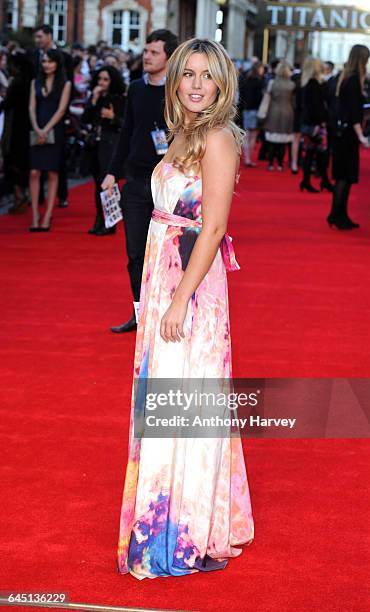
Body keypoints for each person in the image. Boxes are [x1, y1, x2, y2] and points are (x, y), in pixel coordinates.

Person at [115, 37, 254, 580]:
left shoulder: (218, 138)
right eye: (187, 74)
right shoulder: (182, 133)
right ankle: (172, 513)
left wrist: (176, 301)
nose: (196, 84)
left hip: (191, 285)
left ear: (222, 83)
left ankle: (190, 527)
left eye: (206, 75)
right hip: (164, 276)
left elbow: (213, 226)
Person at [102, 29, 179, 333]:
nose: (146, 56)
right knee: (135, 252)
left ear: (168, 57)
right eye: (146, 51)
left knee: (165, 252)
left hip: (167, 182)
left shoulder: (178, 91)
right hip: (135, 181)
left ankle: (168, 310)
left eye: (154, 52)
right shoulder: (135, 88)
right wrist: (112, 172)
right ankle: (140, 313)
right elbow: (127, 131)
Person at [327, 45, 370, 230]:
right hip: (348, 136)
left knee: (342, 176)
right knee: (345, 176)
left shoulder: (344, 78)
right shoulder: (353, 81)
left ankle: (339, 214)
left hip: (341, 134)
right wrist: (362, 136)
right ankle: (337, 215)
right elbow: (353, 113)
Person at [28, 49, 72, 231]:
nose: (47, 64)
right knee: (34, 173)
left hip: (55, 131)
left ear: (57, 64)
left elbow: (61, 110)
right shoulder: (35, 82)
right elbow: (31, 107)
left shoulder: (65, 83)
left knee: (53, 173)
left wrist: (45, 130)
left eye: (50, 61)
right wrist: (38, 129)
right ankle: (35, 215)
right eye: (44, 61)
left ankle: (47, 216)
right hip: (36, 129)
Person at [82, 65, 126, 235]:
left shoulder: (119, 99)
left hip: (110, 146)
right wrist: (93, 100)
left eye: (106, 79)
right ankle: (100, 220)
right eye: (99, 79)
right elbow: (86, 119)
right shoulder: (97, 97)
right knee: (96, 184)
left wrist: (112, 117)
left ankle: (110, 223)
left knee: (107, 184)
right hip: (95, 145)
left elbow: (125, 123)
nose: (102, 83)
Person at [0, 51, 33, 214]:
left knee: (13, 164)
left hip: (14, 130)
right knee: (21, 164)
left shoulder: (17, 83)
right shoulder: (29, 82)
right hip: (24, 129)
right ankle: (21, 196)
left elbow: (7, 104)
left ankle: (19, 197)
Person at [299, 57, 334, 193]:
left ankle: (310, 181)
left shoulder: (307, 83)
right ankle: (319, 181)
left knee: (312, 154)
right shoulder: (314, 84)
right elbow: (317, 106)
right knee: (318, 153)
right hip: (316, 124)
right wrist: (322, 122)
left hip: (310, 123)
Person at [263, 59, 295, 171]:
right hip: (288, 112)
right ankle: (280, 165)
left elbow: (267, 98)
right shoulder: (292, 85)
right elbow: (293, 101)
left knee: (272, 140)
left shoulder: (272, 83)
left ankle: (271, 164)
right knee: (283, 141)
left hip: (273, 112)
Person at [239, 61, 264, 167]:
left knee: (246, 135)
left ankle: (246, 158)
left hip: (245, 109)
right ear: (258, 69)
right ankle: (248, 159)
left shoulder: (246, 79)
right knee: (253, 136)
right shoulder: (259, 81)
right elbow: (260, 97)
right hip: (254, 110)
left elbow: (242, 94)